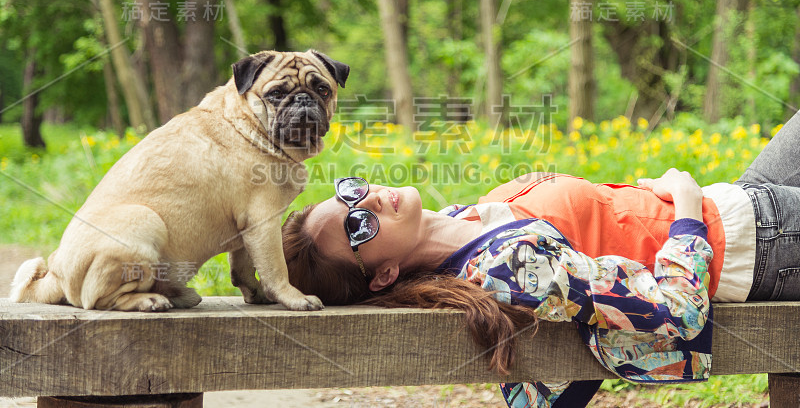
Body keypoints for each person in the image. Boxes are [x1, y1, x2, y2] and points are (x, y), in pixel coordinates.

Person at [281, 111, 800, 408]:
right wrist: (684, 203)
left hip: (737, 202)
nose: (366, 202)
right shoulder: (507, 268)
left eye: (350, 194)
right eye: (357, 228)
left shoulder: (466, 220)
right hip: (757, 244)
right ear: (384, 275)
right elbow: (676, 311)